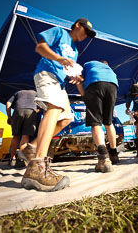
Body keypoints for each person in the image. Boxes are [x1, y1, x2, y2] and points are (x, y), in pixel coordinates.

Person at [21, 18, 96, 192]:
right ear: (78, 25)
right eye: (86, 31)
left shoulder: (75, 51)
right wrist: (60, 59)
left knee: (67, 119)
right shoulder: (59, 32)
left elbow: (70, 69)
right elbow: (40, 48)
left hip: (60, 83)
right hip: (46, 73)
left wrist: (76, 79)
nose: (86, 36)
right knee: (53, 108)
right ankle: (37, 166)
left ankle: (31, 148)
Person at [76, 60, 119, 173]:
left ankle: (104, 158)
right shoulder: (109, 69)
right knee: (108, 122)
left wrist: (85, 97)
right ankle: (114, 154)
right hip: (113, 85)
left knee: (95, 122)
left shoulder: (88, 64)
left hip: (95, 84)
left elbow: (78, 80)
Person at [6, 90, 37, 167]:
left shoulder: (17, 92)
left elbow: (8, 103)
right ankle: (21, 159)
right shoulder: (35, 93)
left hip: (18, 110)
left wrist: (9, 116)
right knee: (25, 136)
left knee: (16, 136)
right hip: (31, 111)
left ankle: (12, 159)